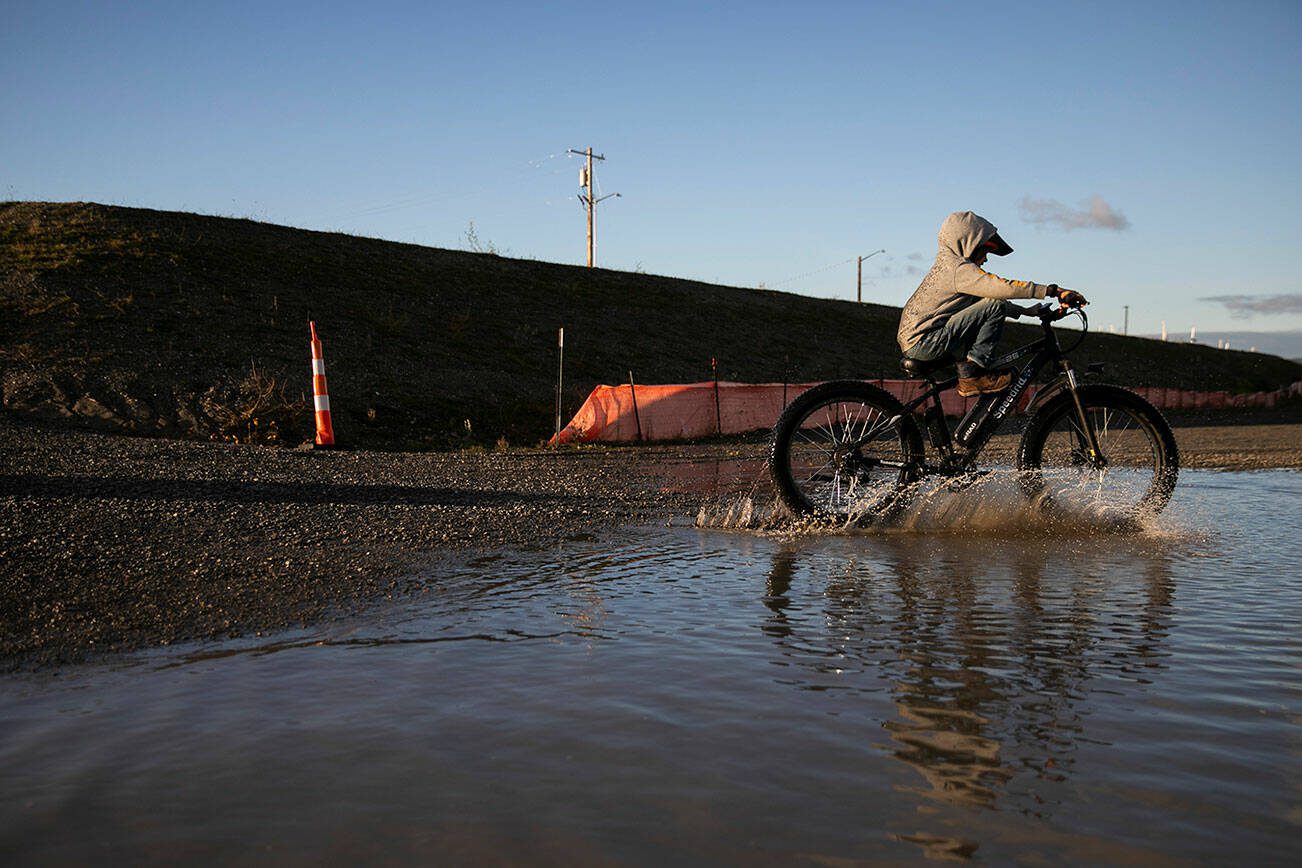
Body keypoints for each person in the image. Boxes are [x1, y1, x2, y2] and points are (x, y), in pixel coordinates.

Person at [897, 210, 1087, 396]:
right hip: (925, 341)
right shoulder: (958, 269)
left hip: (921, 340)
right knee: (994, 305)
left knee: (992, 305)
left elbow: (982, 303)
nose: (986, 259)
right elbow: (1001, 288)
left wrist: (1028, 312)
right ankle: (973, 374)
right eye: (985, 250)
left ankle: (973, 373)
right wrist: (1052, 291)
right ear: (969, 244)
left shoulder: (950, 267)